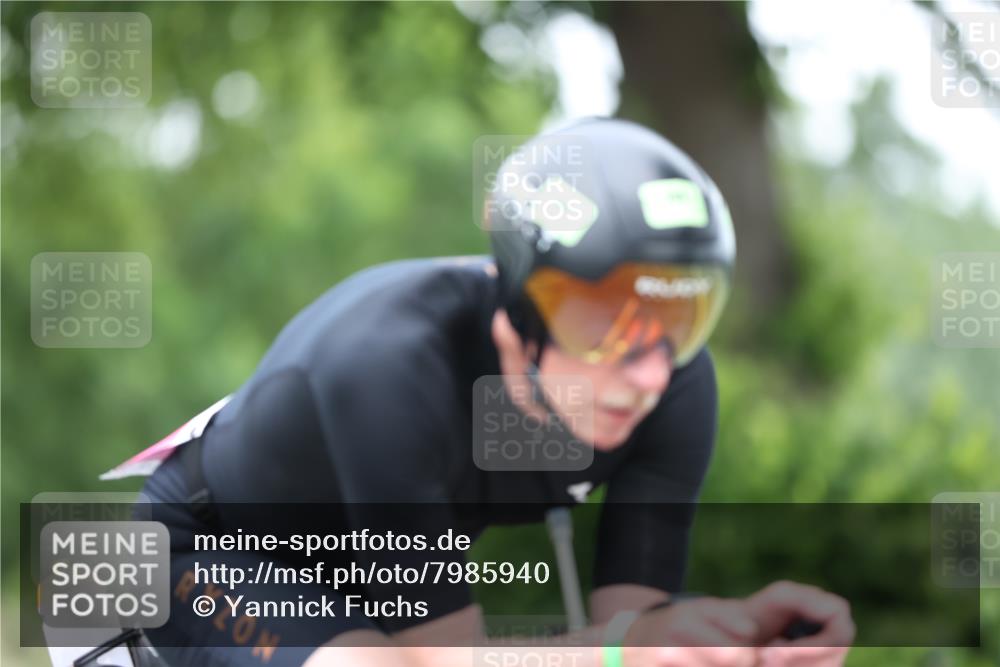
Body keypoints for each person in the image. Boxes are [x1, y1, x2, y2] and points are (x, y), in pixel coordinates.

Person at [120, 118, 853, 667]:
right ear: (522, 312)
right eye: (604, 323)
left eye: (680, 320)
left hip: (366, 575)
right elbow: (450, 660)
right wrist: (625, 650)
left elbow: (630, 633)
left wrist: (735, 639)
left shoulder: (677, 388)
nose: (649, 373)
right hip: (197, 550)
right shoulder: (390, 365)